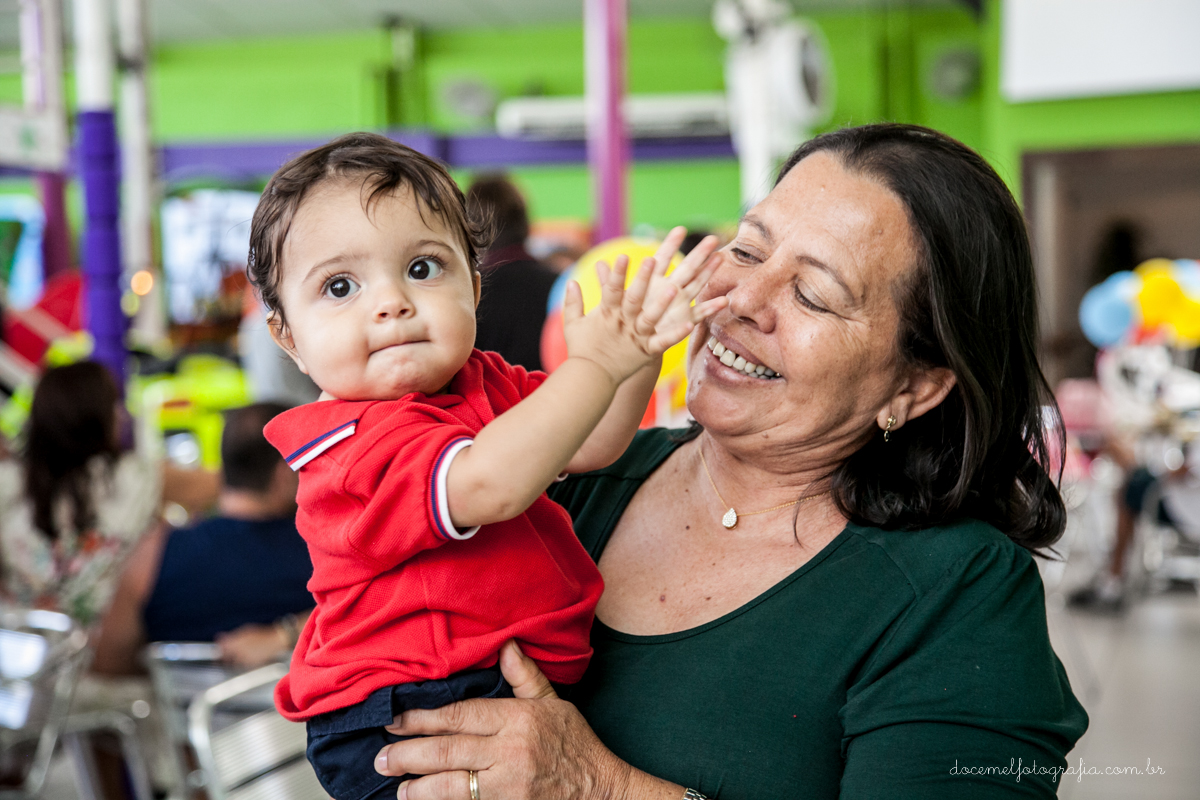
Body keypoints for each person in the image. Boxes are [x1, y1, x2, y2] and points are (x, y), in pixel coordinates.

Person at [369, 124, 1089, 800]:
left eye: (813, 294)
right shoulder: (565, 484)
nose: (741, 298)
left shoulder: (959, 594)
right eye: (744, 250)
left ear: (915, 384)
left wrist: (600, 787)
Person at [245, 132, 725, 800]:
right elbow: (490, 484)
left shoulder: (483, 382)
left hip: (477, 683)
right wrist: (593, 366)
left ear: (473, 287)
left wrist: (640, 352)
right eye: (340, 286)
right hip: (400, 715)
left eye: (421, 269)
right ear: (288, 336)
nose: (392, 303)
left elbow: (590, 443)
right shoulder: (347, 446)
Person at [91, 402, 314, 673]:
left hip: (182, 710)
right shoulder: (324, 552)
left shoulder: (151, 556)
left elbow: (108, 664)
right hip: (296, 711)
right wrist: (285, 635)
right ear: (284, 474)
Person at [0, 362, 162, 626]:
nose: (121, 415)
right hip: (109, 649)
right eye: (113, 405)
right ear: (93, 414)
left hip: (23, 646)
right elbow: (234, 476)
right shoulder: (136, 477)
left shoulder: (10, 481)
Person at [465, 174, 559, 371]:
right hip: (557, 397)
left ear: (470, 230)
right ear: (524, 222)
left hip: (493, 401)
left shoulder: (467, 294)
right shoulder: (559, 285)